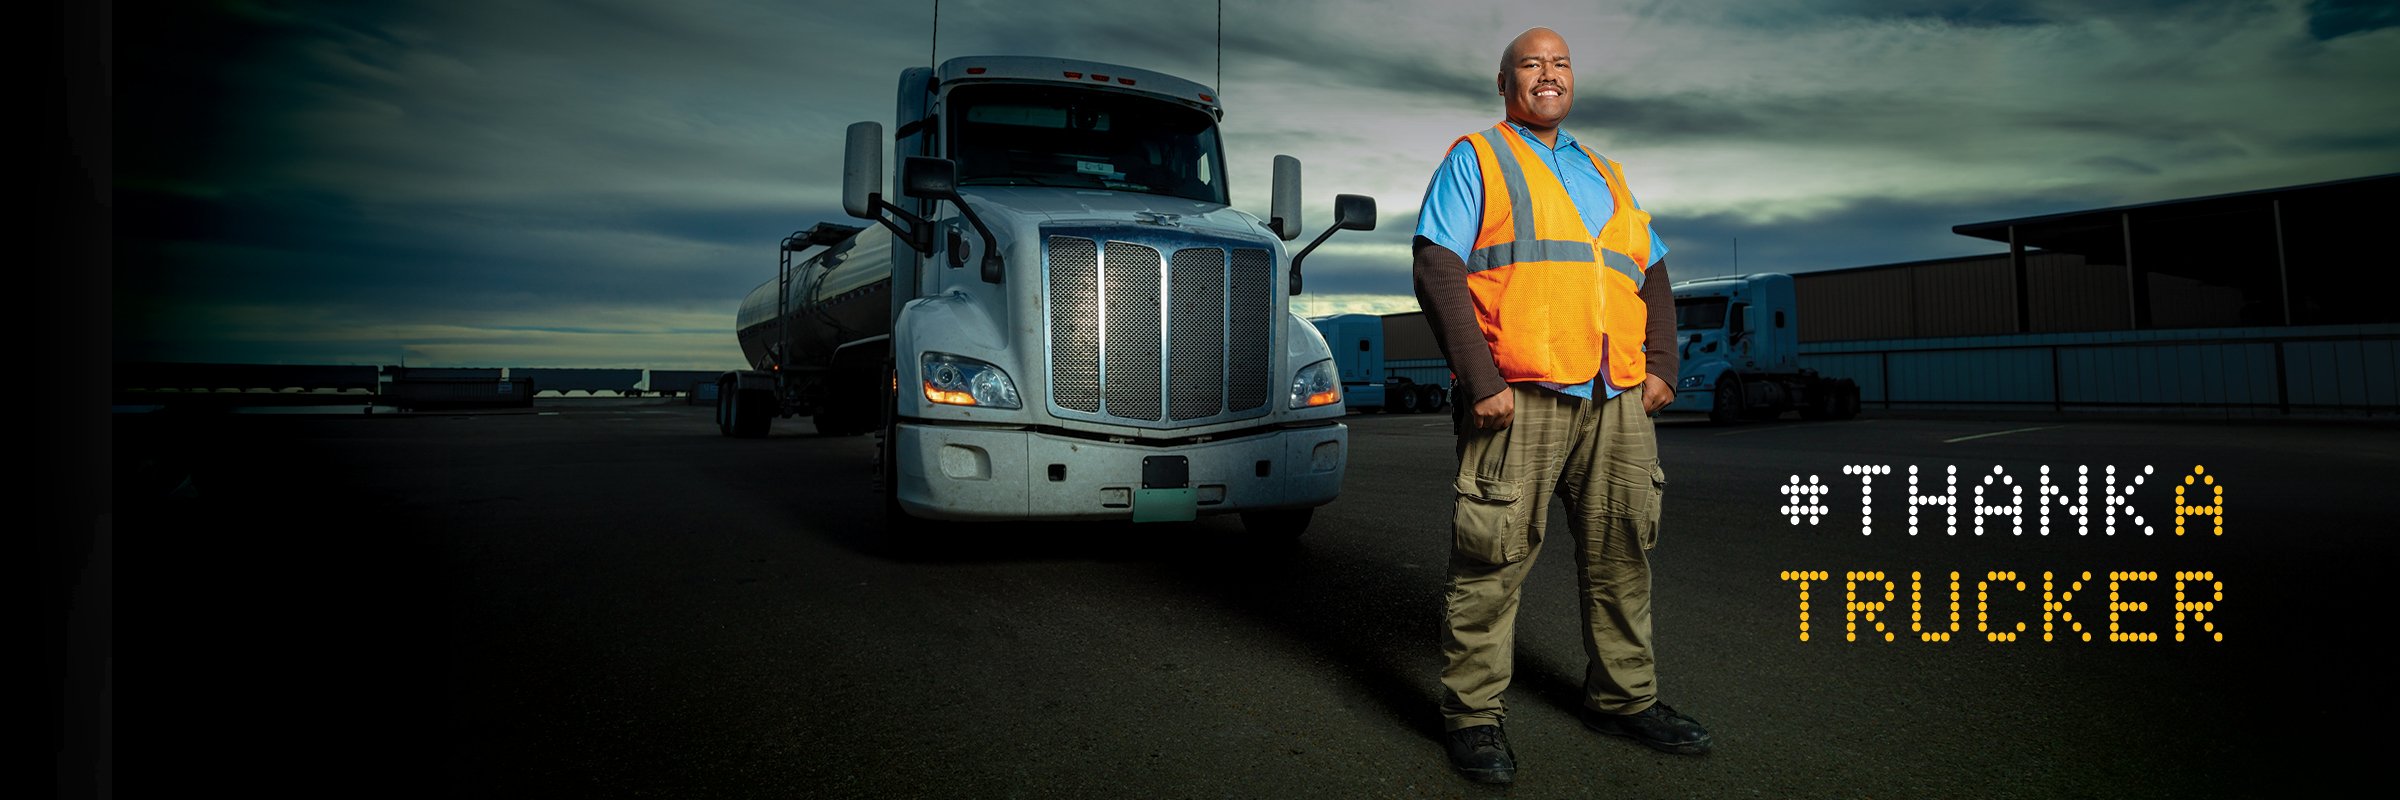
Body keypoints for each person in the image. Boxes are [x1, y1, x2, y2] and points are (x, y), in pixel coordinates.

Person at [1410, 26, 1710, 785]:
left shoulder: (1606, 172)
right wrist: (1480, 380)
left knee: (1623, 556)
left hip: (1616, 398)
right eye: (1532, 64)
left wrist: (1664, 365)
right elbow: (1436, 264)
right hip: (1520, 395)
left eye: (1561, 63)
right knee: (1492, 558)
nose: (1549, 74)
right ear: (1506, 82)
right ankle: (1473, 717)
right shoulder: (1476, 158)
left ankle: (1624, 698)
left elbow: (1653, 270)